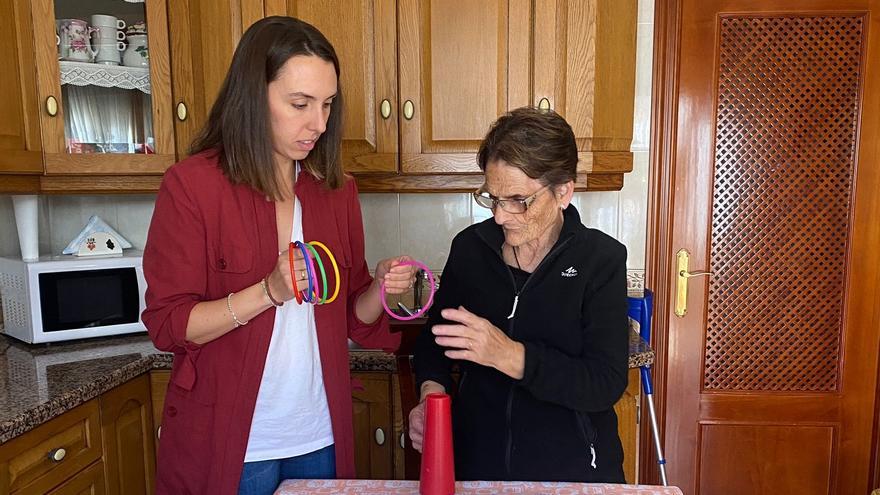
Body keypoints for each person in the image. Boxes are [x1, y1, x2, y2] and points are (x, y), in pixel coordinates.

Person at [142, 16, 415, 495]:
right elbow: (169, 324)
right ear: (253, 97)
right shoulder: (192, 186)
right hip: (234, 442)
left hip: (319, 435)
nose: (319, 123)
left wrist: (379, 286)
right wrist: (268, 292)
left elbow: (353, 316)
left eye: (327, 104)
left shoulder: (337, 190)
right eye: (299, 104)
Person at [408, 107, 629, 483]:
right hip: (477, 468)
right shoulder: (470, 249)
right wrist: (430, 396)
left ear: (563, 191)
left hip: (573, 474)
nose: (499, 216)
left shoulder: (601, 260)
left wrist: (510, 355)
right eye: (492, 197)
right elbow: (436, 343)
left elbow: (604, 382)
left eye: (517, 200)